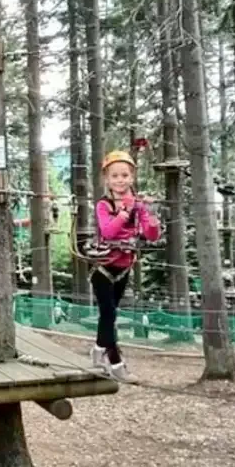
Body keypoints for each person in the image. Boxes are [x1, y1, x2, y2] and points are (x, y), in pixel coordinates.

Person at [88, 150, 161, 380]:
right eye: (115, 176)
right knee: (108, 315)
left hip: (124, 268)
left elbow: (151, 236)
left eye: (125, 175)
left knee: (109, 315)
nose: (120, 180)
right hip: (103, 268)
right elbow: (108, 231)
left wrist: (151, 214)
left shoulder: (138, 205)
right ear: (107, 179)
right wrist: (124, 211)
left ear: (132, 177)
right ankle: (117, 364)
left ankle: (98, 350)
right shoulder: (103, 204)